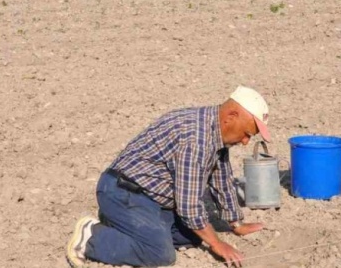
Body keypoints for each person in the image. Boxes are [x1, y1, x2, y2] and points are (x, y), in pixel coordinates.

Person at [66, 86, 272, 267]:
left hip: (148, 198)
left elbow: (222, 179)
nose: (245, 142)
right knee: (160, 253)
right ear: (231, 116)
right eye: (246, 133)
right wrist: (217, 244)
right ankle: (90, 237)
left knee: (191, 236)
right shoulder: (195, 139)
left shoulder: (215, 131)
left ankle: (122, 224)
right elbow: (189, 207)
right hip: (122, 191)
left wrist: (236, 223)